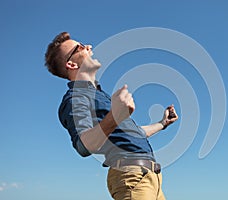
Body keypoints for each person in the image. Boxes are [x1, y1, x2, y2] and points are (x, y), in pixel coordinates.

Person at [44, 32, 178, 200]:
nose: (89, 47)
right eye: (80, 47)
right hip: (132, 178)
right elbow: (83, 146)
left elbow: (135, 133)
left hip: (151, 178)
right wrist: (115, 116)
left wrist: (163, 123)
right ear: (71, 64)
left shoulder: (100, 95)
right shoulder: (75, 98)